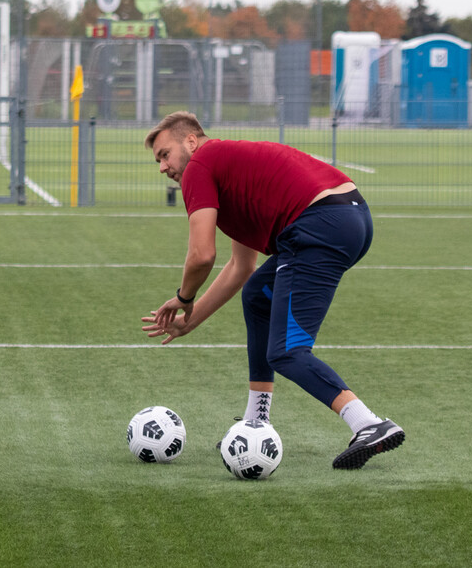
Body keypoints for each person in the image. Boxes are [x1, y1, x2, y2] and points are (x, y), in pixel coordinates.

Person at [140, 111, 404, 469]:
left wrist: (184, 298)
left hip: (318, 225)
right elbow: (241, 267)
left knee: (287, 351)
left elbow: (202, 255)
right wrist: (191, 320)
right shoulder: (224, 165)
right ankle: (256, 421)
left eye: (164, 154)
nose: (162, 167)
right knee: (257, 297)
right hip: (351, 217)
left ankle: (368, 423)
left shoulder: (200, 165)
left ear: (190, 141)